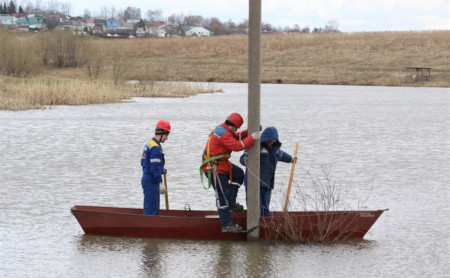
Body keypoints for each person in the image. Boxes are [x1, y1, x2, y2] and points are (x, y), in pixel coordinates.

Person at [201, 112, 260, 233]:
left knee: (238, 174)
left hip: (221, 164)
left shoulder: (224, 129)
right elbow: (237, 145)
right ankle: (226, 225)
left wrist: (249, 132)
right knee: (222, 196)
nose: (236, 130)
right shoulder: (222, 134)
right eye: (236, 128)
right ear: (233, 126)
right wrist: (252, 138)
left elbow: (236, 136)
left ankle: (231, 201)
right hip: (214, 168)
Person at [240, 126, 296, 217]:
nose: (271, 142)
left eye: (273, 141)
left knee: (265, 208)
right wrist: (246, 160)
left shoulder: (276, 151)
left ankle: (265, 226)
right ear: (264, 139)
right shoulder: (254, 147)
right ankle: (253, 227)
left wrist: (292, 159)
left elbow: (283, 156)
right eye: (269, 140)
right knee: (254, 208)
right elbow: (242, 158)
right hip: (253, 185)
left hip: (267, 185)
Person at [140, 120, 171, 215]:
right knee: (151, 210)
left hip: (146, 177)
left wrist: (161, 170)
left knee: (151, 207)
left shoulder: (149, 144)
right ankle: (148, 227)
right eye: (166, 135)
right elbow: (154, 168)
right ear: (161, 134)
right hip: (152, 180)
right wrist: (160, 182)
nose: (167, 138)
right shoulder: (156, 148)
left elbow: (143, 162)